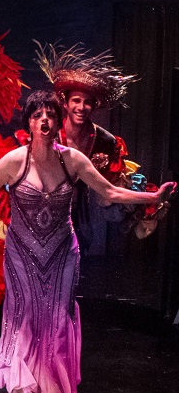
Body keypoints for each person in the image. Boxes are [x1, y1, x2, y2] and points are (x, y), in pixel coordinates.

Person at [0, 90, 175, 393]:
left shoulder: (72, 160)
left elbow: (111, 194)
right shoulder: (13, 161)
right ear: (28, 122)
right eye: (37, 114)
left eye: (50, 114)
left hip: (61, 254)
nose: (44, 119)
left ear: (58, 122)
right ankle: (22, 377)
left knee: (56, 321)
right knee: (24, 317)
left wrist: (153, 197)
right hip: (22, 253)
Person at [35, 42, 164, 249]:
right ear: (65, 104)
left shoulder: (105, 141)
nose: (81, 107)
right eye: (76, 100)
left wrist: (150, 200)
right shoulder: (48, 132)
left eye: (88, 102)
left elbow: (112, 192)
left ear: (94, 106)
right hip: (45, 214)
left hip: (81, 218)